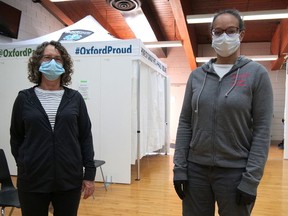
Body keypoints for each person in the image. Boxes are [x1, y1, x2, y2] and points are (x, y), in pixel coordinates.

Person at [173, 9, 273, 216]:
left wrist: (251, 179)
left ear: (241, 34)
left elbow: (262, 130)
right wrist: (180, 168)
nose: (224, 37)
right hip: (196, 171)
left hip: (235, 173)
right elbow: (185, 123)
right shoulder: (197, 76)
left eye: (230, 30)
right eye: (218, 32)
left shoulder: (257, 74)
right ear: (211, 35)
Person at [10, 40, 96, 216]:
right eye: (47, 57)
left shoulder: (75, 99)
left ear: (64, 65)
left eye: (57, 59)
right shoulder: (24, 98)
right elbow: (16, 137)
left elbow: (85, 136)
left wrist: (89, 175)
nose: (52, 62)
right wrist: (25, 163)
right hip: (33, 180)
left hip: (69, 179)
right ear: (37, 62)